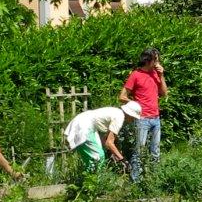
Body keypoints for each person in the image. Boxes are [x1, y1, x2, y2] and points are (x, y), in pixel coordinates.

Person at [119, 48, 168, 182]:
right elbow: (122, 96)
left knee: (155, 151)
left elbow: (164, 93)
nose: (158, 62)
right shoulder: (135, 75)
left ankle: (154, 180)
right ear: (148, 60)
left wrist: (161, 75)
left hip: (156, 118)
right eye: (155, 59)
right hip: (142, 119)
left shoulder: (155, 74)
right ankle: (136, 181)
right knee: (139, 150)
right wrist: (136, 105)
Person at [64, 101, 142, 171]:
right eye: (133, 118)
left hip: (82, 122)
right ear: (129, 114)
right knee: (98, 157)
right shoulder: (120, 117)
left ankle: (89, 182)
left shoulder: (116, 112)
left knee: (92, 159)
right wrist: (122, 159)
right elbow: (109, 143)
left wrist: (114, 152)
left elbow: (106, 139)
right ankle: (94, 183)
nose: (133, 120)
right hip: (84, 126)